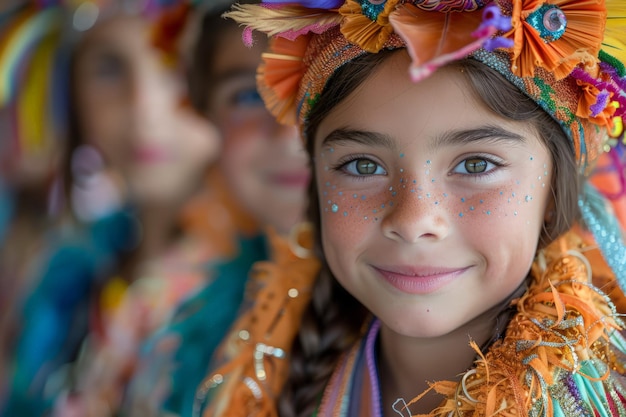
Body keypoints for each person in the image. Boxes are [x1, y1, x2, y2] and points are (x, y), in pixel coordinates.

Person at [193, 1, 626, 416]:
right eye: (362, 166)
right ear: (317, 183)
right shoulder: (249, 375)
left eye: (476, 165)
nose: (414, 221)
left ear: (553, 192)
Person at [1, 1, 219, 415]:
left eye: (177, 66)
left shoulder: (261, 293)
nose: (145, 111)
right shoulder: (66, 274)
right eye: (109, 69)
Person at [121, 2, 310, 415]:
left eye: (317, 85)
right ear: (206, 113)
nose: (286, 133)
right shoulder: (175, 317)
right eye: (247, 95)